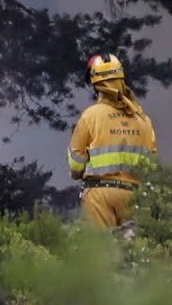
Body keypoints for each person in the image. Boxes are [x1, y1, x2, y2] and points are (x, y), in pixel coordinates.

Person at [68, 53, 159, 230]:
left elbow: (76, 162)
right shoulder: (143, 120)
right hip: (135, 197)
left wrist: (79, 171)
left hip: (99, 194)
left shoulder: (91, 115)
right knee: (133, 253)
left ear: (96, 83)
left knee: (101, 253)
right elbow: (152, 165)